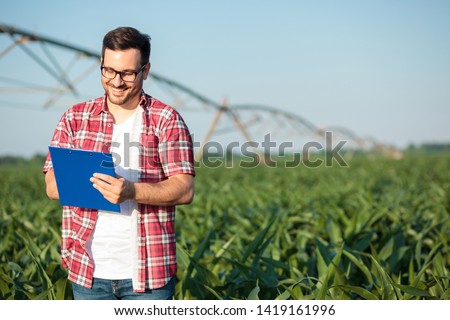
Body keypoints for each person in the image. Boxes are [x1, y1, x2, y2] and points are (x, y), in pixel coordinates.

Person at [43, 26, 195, 300]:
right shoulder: (74, 119)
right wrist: (91, 184)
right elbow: (52, 186)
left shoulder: (166, 120)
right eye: (109, 70)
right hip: (87, 273)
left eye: (127, 73)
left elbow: (184, 189)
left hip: (149, 276)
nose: (116, 81)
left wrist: (131, 191)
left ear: (145, 71)